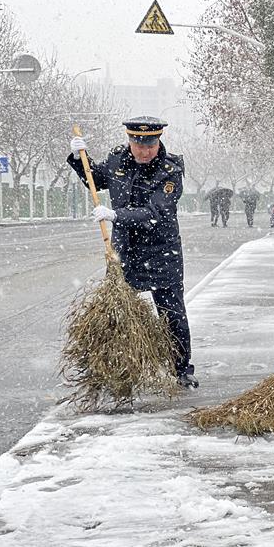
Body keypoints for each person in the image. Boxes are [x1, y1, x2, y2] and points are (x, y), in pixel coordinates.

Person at [68, 116, 199, 389]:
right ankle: (114, 366)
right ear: (130, 141)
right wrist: (80, 158)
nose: (145, 151)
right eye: (139, 145)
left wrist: (115, 214)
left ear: (158, 140)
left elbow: (156, 212)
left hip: (162, 251)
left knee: (172, 313)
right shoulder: (117, 159)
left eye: (151, 144)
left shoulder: (170, 169)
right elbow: (97, 179)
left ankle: (181, 369)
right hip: (125, 250)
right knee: (117, 310)